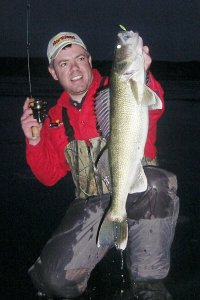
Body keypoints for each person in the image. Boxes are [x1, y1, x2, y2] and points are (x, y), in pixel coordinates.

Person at [21, 31, 179, 300]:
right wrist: (33, 141)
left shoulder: (114, 87)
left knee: (158, 183)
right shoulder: (55, 119)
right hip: (93, 206)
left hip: (140, 192)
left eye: (79, 58)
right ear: (52, 72)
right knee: (54, 281)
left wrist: (145, 74)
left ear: (90, 59)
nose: (74, 68)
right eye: (63, 63)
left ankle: (148, 285)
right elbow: (48, 176)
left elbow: (155, 107)